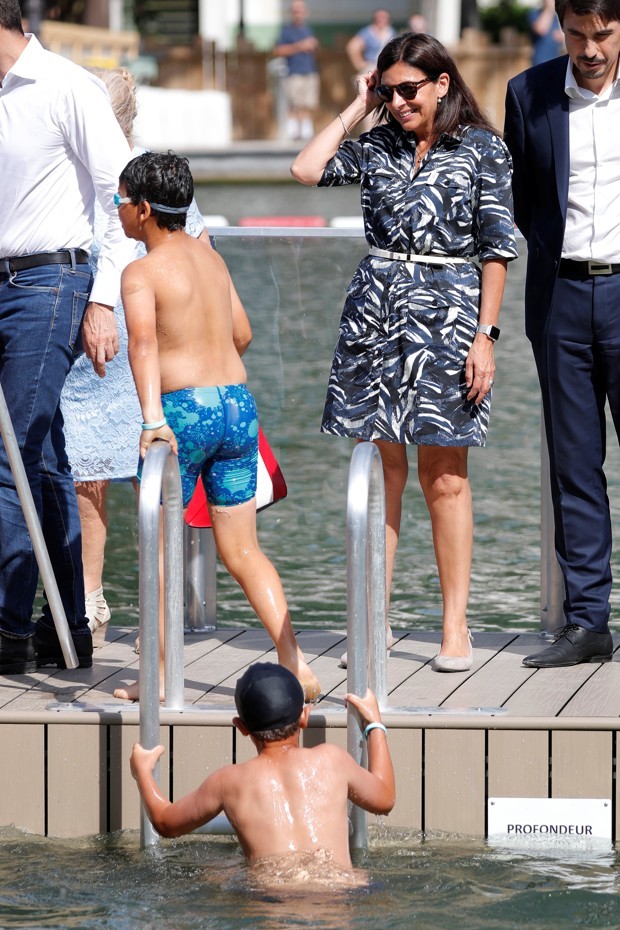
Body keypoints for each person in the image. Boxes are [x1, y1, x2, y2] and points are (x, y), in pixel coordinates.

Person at [291, 34, 517, 672]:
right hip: (376, 317)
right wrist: (357, 106)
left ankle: (455, 626)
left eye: (408, 90)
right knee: (380, 471)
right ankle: (375, 621)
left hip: (450, 320)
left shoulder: (483, 149)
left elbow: (497, 249)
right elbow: (306, 169)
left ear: (443, 83)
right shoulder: (378, 143)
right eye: (387, 91)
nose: (398, 102)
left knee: (444, 475)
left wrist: (486, 337)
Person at [114, 151, 321, 702]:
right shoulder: (213, 261)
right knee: (243, 550)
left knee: (159, 547)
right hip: (236, 405)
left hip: (183, 413)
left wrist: (153, 419)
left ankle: (158, 675)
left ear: (143, 209)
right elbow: (243, 334)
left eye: (120, 200)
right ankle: (295, 661)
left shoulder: (141, 272)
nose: (118, 210)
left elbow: (143, 345)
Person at [59, 68, 228, 634]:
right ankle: (103, 601)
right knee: (96, 475)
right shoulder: (76, 174)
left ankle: (144, 605)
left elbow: (200, 254)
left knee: (137, 479)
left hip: (143, 346)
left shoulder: (143, 178)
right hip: (98, 348)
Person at [0, 0, 135, 675]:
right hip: (7, 281)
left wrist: (103, 299)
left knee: (12, 453)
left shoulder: (65, 86)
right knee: (46, 458)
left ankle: (5, 628)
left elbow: (121, 199)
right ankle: (66, 625)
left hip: (51, 282)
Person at [504, 0, 620, 668]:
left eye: (603, 34)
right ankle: (588, 623)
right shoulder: (529, 93)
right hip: (562, 299)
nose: (590, 49)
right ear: (560, 25)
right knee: (574, 469)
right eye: (577, 34)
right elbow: (519, 197)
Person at [130, 662, 394, 881]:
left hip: (273, 903)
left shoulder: (229, 782)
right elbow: (384, 798)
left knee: (214, 874)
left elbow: (165, 823)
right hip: (341, 893)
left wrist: (142, 772)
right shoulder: (332, 760)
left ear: (241, 727)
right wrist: (374, 723)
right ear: (305, 716)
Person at [273, 0, 320, 142]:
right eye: (295, 11)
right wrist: (300, 46)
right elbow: (278, 50)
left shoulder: (308, 29)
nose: (298, 14)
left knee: (308, 103)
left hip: (310, 70)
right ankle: (293, 131)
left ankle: (306, 130)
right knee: (295, 103)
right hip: (294, 71)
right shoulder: (287, 30)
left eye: (301, 11)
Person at [346, 9, 396, 74]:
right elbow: (352, 47)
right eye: (379, 17)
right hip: (372, 65)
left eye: (384, 17)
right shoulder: (368, 32)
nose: (381, 19)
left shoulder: (391, 31)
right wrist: (359, 63)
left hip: (388, 65)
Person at [528, 0, 564, 65]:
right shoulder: (534, 13)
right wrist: (549, 8)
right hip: (539, 61)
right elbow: (541, 29)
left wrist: (561, 37)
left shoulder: (556, 18)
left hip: (555, 61)